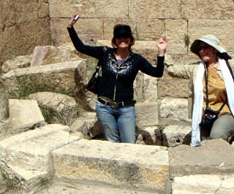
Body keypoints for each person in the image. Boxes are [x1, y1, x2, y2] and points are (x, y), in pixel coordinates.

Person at [67, 14, 167, 143]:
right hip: (104, 107)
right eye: (119, 37)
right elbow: (81, 47)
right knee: (112, 143)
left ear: (131, 40)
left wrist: (161, 52)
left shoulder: (137, 60)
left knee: (129, 143)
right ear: (114, 40)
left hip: (126, 109)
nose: (122, 39)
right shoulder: (105, 53)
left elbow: (157, 73)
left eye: (126, 37)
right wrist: (70, 28)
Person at [165, 25, 234, 146]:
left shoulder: (230, 67)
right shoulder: (196, 69)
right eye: (200, 48)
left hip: (226, 112)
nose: (202, 51)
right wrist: (163, 52)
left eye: (205, 47)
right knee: (204, 145)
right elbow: (172, 70)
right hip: (205, 115)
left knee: (216, 136)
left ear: (215, 49)